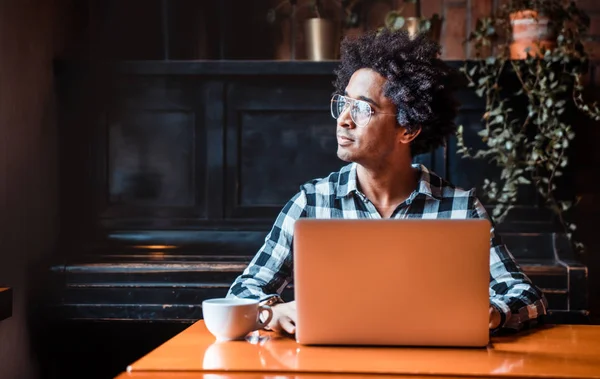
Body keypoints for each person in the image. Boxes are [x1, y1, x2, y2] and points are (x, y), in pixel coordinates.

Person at [226, 28, 548, 336]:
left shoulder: (461, 208)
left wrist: (492, 313)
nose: (344, 119)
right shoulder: (311, 202)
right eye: (344, 103)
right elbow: (242, 291)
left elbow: (527, 295)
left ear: (407, 130)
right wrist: (272, 312)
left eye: (363, 109)